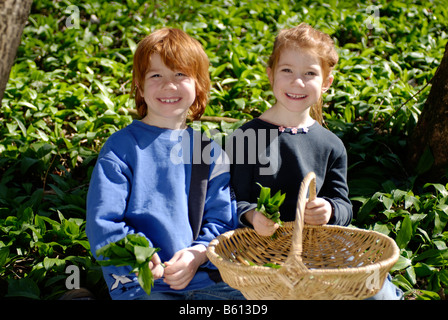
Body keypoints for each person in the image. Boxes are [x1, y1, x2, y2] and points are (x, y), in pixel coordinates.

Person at [227, 23, 402, 300]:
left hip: (317, 252)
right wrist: (251, 216)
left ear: (326, 82)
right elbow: (231, 196)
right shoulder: (247, 136)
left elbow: (344, 204)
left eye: (310, 73)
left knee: (379, 293)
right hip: (260, 253)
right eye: (287, 71)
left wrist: (330, 210)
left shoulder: (330, 144)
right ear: (270, 74)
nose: (298, 82)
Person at [86, 28, 244, 300]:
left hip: (204, 280)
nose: (169, 85)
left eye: (180, 75)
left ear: (199, 85)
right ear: (139, 85)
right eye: (155, 75)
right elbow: (103, 221)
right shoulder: (122, 148)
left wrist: (198, 255)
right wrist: (139, 253)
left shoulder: (209, 152)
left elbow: (222, 221)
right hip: (138, 282)